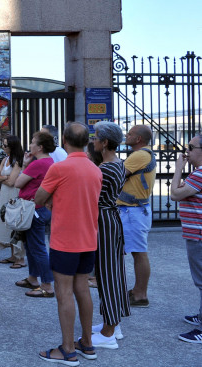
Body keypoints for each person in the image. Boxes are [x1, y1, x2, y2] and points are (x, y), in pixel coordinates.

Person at [34, 122, 103, 365]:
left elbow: (38, 198)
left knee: (64, 294)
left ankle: (67, 349)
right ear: (86, 142)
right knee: (82, 289)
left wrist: (53, 199)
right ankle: (86, 343)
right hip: (88, 238)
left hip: (65, 240)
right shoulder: (96, 170)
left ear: (64, 140)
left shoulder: (59, 168)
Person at [89, 122, 131, 349]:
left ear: (105, 143)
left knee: (107, 275)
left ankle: (109, 332)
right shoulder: (117, 165)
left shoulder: (105, 168)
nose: (93, 141)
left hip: (104, 221)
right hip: (111, 219)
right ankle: (113, 324)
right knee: (112, 272)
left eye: (96, 138)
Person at [117, 125, 156, 307]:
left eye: (131, 133)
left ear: (139, 139)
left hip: (133, 211)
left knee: (139, 253)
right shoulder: (141, 155)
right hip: (133, 210)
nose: (127, 135)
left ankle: (140, 295)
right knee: (137, 253)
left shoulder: (140, 155)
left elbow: (118, 175)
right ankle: (137, 291)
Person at [13, 131, 56, 298]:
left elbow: (17, 182)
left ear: (40, 147)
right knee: (31, 246)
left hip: (33, 208)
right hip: (40, 208)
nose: (30, 145)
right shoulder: (49, 162)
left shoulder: (38, 164)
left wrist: (25, 165)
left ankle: (47, 285)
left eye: (32, 142)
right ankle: (33, 278)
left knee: (37, 247)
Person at [170, 133, 202, 344]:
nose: (187, 151)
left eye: (191, 147)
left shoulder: (199, 175)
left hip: (198, 235)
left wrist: (179, 168)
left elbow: (174, 193)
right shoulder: (197, 175)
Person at [0, 135, 25, 268]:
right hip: (4, 194)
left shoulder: (17, 161)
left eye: (5, 145)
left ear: (12, 146)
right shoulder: (5, 159)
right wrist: (5, 177)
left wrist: (2, 177)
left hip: (13, 195)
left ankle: (20, 258)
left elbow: (12, 182)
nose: (3, 147)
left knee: (15, 223)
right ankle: (13, 255)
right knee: (7, 222)